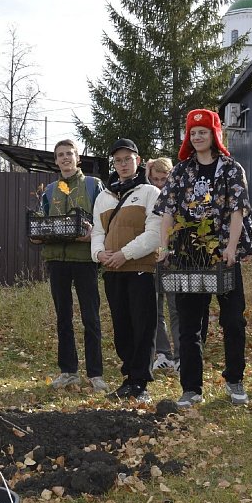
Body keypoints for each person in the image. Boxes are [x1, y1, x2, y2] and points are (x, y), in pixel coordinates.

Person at [155, 109, 252, 408]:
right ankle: (191, 388)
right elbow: (168, 212)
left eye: (203, 131)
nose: (197, 137)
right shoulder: (181, 171)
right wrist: (163, 247)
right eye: (193, 132)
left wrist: (231, 248)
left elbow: (237, 211)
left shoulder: (231, 169)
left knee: (234, 320)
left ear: (214, 135)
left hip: (223, 252)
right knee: (189, 325)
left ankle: (235, 380)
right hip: (188, 254)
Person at [91, 139, 162, 403]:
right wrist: (99, 254)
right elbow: (98, 232)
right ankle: (128, 378)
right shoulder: (104, 196)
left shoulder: (149, 193)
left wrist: (125, 254)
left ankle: (140, 382)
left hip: (140, 268)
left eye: (127, 159)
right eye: (118, 160)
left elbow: (155, 233)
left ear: (138, 161)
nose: (122, 164)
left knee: (143, 325)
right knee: (122, 327)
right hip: (112, 271)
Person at [37, 139, 107, 392]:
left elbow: (106, 219)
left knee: (91, 317)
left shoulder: (93, 185)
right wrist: (37, 232)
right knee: (63, 318)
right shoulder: (50, 190)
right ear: (55, 161)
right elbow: (41, 221)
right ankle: (68, 372)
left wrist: (94, 235)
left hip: (85, 260)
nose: (65, 158)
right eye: (60, 155)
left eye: (69, 154)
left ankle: (96, 374)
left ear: (78, 158)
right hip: (57, 259)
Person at [146, 157, 180, 375]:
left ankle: (180, 356)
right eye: (155, 179)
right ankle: (163, 354)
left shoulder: (177, 194)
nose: (159, 183)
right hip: (152, 256)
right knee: (155, 309)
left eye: (163, 179)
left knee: (176, 309)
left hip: (174, 258)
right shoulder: (148, 194)